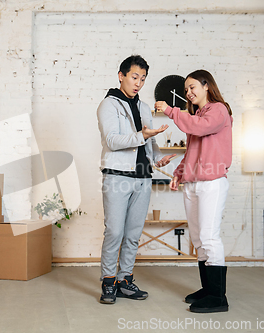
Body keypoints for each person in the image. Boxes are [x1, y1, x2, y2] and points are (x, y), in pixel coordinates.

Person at [97, 55, 175, 304]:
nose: (138, 83)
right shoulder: (108, 105)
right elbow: (112, 141)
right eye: (134, 77)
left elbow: (149, 140)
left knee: (132, 234)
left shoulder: (143, 107)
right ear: (121, 76)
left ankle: (124, 280)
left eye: (142, 78)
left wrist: (158, 158)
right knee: (115, 232)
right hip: (117, 177)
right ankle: (108, 282)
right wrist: (143, 134)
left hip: (143, 177)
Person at [155, 69, 233, 313]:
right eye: (186, 89)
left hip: (211, 182)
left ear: (206, 85)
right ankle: (208, 290)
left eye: (192, 87)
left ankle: (218, 298)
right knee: (198, 239)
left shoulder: (218, 110)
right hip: (193, 183)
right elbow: (193, 150)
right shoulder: (198, 114)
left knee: (210, 237)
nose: (188, 93)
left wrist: (170, 110)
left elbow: (199, 128)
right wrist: (180, 173)